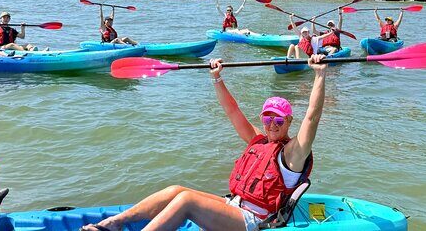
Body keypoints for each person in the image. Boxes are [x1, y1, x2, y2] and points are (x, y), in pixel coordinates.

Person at [80, 55, 327, 231]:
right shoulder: (258, 141)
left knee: (188, 202)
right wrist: (216, 78)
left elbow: (312, 117)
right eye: (268, 117)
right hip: (234, 205)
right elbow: (232, 111)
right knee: (178, 191)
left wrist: (319, 75)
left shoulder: (293, 154)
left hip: (254, 220)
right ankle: (114, 223)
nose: (272, 124)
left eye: (279, 119)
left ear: (289, 121)